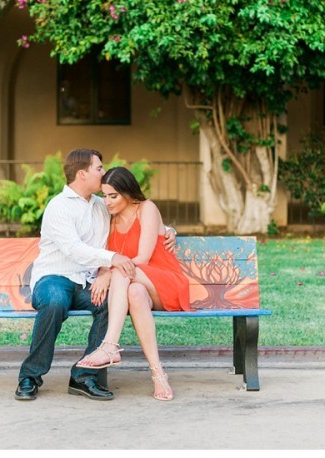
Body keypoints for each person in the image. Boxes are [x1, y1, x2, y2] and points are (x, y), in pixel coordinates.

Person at [15, 149, 175, 402]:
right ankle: (30, 376)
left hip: (88, 282)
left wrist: (169, 230)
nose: (103, 172)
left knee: (110, 304)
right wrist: (111, 261)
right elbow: (74, 249)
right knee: (55, 302)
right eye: (99, 168)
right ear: (82, 173)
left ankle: (84, 376)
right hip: (55, 277)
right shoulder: (58, 207)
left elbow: (137, 217)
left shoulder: (103, 205)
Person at [77, 166, 192, 401]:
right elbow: (106, 256)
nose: (107, 202)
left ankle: (110, 346)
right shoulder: (110, 221)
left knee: (122, 272)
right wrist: (103, 272)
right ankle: (158, 374)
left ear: (128, 193)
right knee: (136, 294)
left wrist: (110, 273)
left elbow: (143, 259)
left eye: (114, 196)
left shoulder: (147, 209)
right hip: (141, 285)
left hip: (165, 279)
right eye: (105, 195)